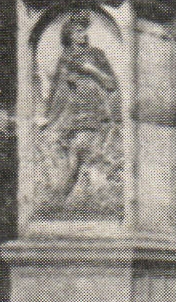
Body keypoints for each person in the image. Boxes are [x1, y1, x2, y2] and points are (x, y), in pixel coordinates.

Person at [36, 11, 123, 216]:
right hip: (71, 117)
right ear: (69, 34)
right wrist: (48, 119)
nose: (82, 34)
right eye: (77, 30)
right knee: (77, 158)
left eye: (84, 30)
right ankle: (66, 201)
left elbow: (112, 84)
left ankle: (61, 200)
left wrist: (90, 70)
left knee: (82, 156)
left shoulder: (97, 55)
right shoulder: (64, 59)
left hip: (94, 113)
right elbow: (56, 93)